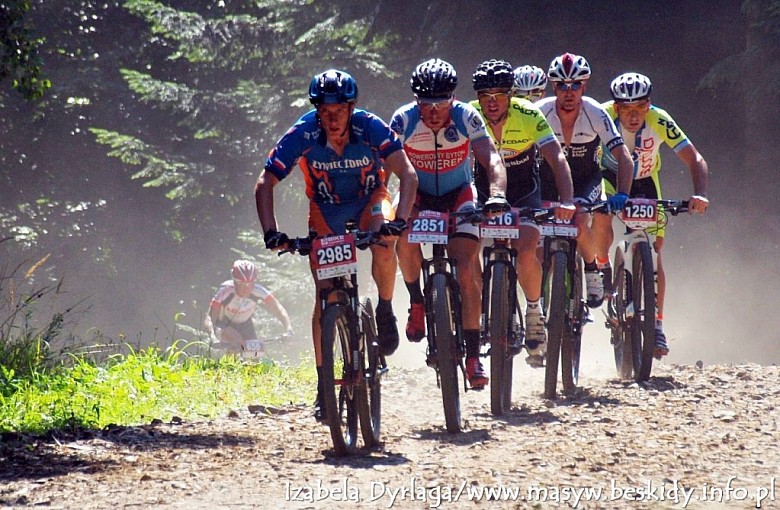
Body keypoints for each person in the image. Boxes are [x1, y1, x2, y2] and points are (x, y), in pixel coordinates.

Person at [255, 69, 418, 420]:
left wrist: (400, 221)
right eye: (324, 110)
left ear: (351, 107)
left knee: (384, 241)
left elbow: (407, 174)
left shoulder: (370, 126)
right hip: (326, 208)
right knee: (324, 294)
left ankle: (386, 309)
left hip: (370, 199)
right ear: (316, 109)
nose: (331, 117)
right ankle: (323, 384)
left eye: (339, 110)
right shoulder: (303, 133)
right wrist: (271, 232)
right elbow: (265, 183)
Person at [390, 58, 508, 390]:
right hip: (418, 196)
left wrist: (496, 194)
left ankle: (473, 355)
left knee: (468, 268)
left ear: (453, 98)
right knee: (404, 241)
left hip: (459, 194)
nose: (433, 110)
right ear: (416, 101)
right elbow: (385, 165)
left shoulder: (467, 117)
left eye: (440, 102)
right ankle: (416, 300)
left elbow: (492, 159)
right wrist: (381, 204)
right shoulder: (403, 120)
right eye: (425, 103)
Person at [470, 59, 575, 367]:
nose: (491, 102)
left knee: (528, 249)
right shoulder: (469, 115)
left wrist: (567, 200)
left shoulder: (529, 114)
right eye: (484, 95)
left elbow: (556, 157)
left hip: (524, 189)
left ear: (511, 94)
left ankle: (533, 312)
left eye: (499, 95)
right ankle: (473, 308)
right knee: (466, 245)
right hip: (483, 188)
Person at [600, 72, 709, 357]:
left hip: (646, 181)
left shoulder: (660, 120)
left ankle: (657, 325)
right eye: (627, 108)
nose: (635, 116)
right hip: (609, 179)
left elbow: (695, 158)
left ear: (649, 105)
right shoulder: (601, 117)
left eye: (641, 107)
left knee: (656, 251)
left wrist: (699, 194)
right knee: (599, 219)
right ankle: (600, 267)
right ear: (616, 107)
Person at [536, 52, 634, 311]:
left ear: (585, 86)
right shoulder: (540, 112)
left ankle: (591, 268)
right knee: (534, 236)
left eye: (576, 85)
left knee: (579, 220)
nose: (569, 92)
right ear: (553, 87)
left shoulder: (595, 112)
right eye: (562, 86)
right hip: (546, 181)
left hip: (585, 181)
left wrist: (622, 194)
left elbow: (624, 157)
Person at [204, 259, 293, 354]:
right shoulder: (225, 291)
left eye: (250, 284)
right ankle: (228, 364)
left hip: (245, 323)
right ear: (235, 282)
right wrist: (212, 336)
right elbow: (210, 316)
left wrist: (289, 329)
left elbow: (278, 309)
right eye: (242, 284)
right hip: (224, 323)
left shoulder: (258, 291)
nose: (247, 288)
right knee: (236, 341)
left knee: (255, 353)